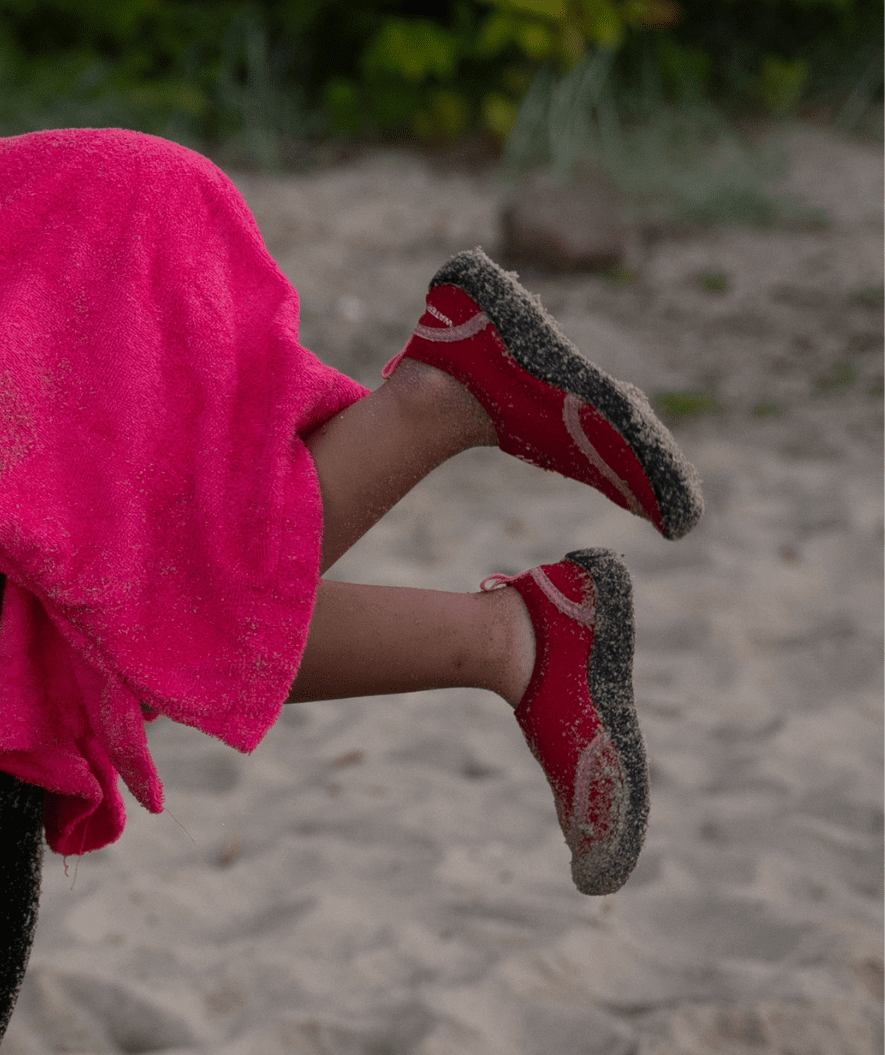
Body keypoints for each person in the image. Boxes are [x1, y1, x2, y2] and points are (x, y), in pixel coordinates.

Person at [0, 128, 703, 1040]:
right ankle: (509, 623)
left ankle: (442, 411)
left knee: (70, 635)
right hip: (78, 197)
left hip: (69, 221)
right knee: (53, 644)